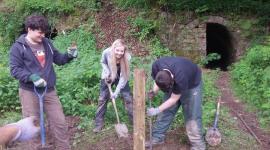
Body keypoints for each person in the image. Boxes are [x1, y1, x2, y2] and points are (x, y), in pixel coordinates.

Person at [9, 14, 78, 150]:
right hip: (30, 92)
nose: (43, 36)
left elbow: (58, 59)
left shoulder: (47, 43)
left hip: (49, 90)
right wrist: (32, 77)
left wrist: (69, 56)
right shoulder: (18, 47)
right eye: (40, 32)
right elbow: (15, 70)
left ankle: (63, 147)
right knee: (33, 125)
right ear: (29, 29)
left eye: (44, 33)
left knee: (60, 122)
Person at [146, 56, 206, 150]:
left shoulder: (180, 77)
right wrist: (154, 91)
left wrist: (157, 109)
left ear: (172, 79)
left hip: (192, 84)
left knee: (192, 115)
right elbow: (157, 82)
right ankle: (157, 137)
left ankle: (198, 145)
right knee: (166, 111)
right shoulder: (157, 66)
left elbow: (173, 99)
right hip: (176, 78)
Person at [93, 39, 133, 133]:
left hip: (121, 74)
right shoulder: (106, 52)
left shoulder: (127, 57)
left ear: (124, 51)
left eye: (121, 51)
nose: (119, 53)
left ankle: (134, 122)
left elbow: (123, 77)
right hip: (108, 75)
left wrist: (116, 92)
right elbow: (102, 62)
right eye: (117, 50)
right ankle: (98, 124)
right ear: (113, 49)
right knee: (102, 99)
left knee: (128, 98)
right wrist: (107, 73)